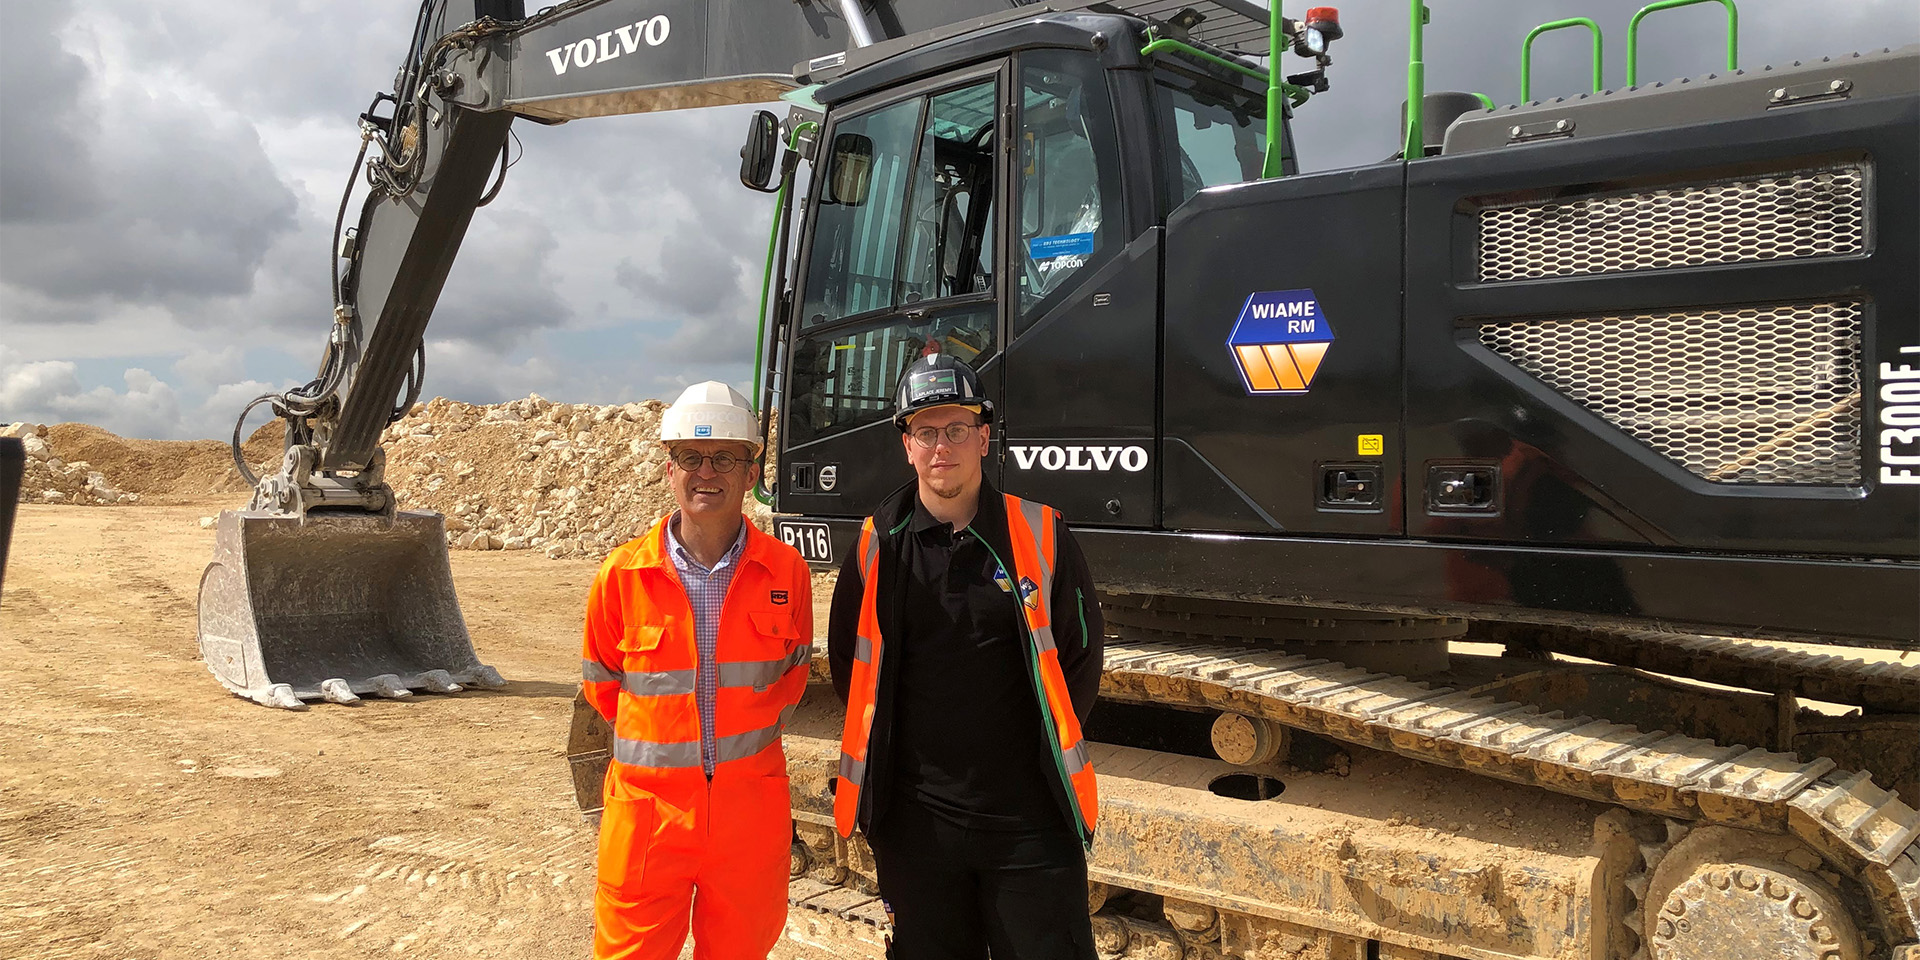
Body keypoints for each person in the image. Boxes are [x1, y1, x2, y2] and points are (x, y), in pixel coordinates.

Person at [827, 354, 1104, 960]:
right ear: (906, 445)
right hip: (917, 825)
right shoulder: (877, 543)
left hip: (1029, 823)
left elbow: (1081, 658)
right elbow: (851, 664)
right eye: (925, 431)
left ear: (983, 437)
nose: (941, 446)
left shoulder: (1041, 534)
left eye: (956, 428)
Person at [580, 381, 812, 960]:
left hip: (748, 818)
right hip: (648, 820)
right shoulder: (621, 575)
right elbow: (603, 687)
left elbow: (790, 681)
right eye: (691, 457)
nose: (706, 472)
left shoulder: (786, 572)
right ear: (670, 470)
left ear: (751, 473)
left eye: (725, 458)